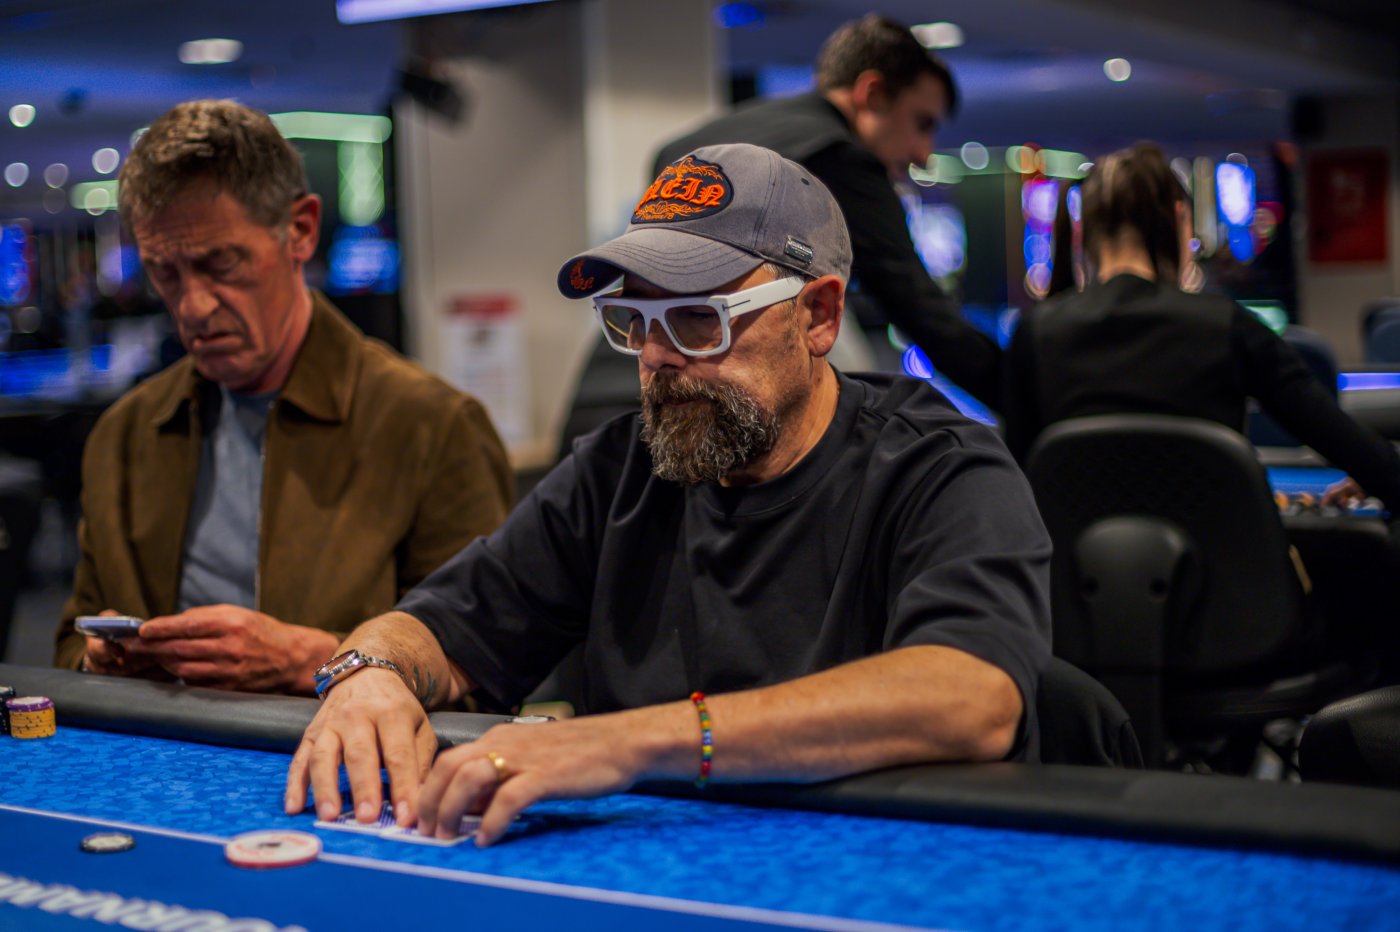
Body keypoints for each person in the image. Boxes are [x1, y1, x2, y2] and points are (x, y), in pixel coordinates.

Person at [285, 143, 1051, 846]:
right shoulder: (618, 470)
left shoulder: (940, 468)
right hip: (659, 868)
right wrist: (368, 673)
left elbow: (970, 695)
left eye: (696, 319)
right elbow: (442, 629)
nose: (655, 357)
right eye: (635, 320)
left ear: (817, 315)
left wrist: (627, 742)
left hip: (884, 870)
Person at [54, 100, 514, 694]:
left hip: (343, 751)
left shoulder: (433, 427)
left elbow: (487, 674)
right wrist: (98, 658)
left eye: (221, 263)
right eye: (165, 272)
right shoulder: (124, 436)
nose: (193, 306)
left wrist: (314, 661)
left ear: (300, 230)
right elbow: (70, 641)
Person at [1001, 142, 1400, 518]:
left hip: (1070, 566)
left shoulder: (1036, 333)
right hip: (1223, 567)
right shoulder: (1226, 325)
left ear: (1082, 232)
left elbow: (1015, 481)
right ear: (1180, 219)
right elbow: (1341, 439)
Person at [653, 14, 1002, 408]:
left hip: (644, 366)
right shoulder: (839, 158)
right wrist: (1023, 395)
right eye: (922, 124)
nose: (924, 154)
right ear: (873, 93)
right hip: (733, 391)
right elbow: (921, 311)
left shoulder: (682, 149)